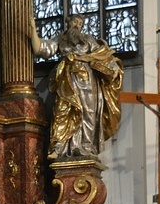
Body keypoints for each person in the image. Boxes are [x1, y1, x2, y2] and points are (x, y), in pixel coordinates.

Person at [29, 14, 124, 160]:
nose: (78, 25)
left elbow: (103, 55)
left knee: (88, 112)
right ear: (68, 23)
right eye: (75, 21)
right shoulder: (60, 39)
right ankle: (59, 147)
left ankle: (85, 148)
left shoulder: (87, 40)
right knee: (63, 110)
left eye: (80, 23)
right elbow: (42, 49)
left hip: (87, 79)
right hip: (67, 79)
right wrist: (33, 30)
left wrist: (114, 66)